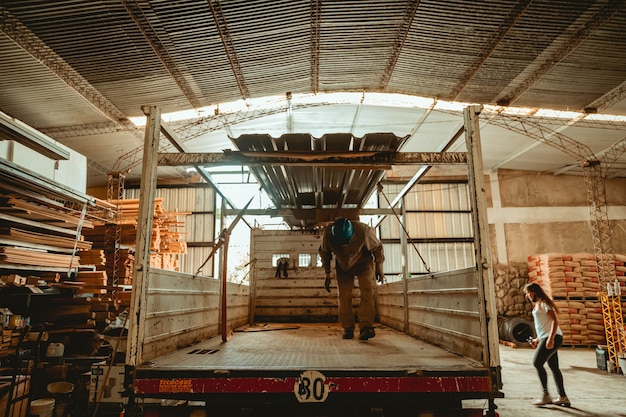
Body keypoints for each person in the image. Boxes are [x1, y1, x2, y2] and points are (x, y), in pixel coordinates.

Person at [319, 218, 384, 340]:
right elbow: (325, 254)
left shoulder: (364, 231)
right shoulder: (328, 234)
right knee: (343, 297)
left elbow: (377, 248)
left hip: (363, 263)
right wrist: (327, 274)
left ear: (352, 235)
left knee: (367, 293)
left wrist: (379, 267)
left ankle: (366, 326)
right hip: (343, 266)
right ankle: (348, 328)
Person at [523, 282, 570, 407]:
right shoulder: (538, 305)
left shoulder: (544, 304)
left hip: (553, 337)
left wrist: (550, 339)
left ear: (534, 291)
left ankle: (546, 395)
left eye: (528, 292)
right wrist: (537, 339)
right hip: (546, 337)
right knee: (554, 367)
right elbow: (544, 325)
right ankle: (563, 397)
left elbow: (555, 321)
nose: (527, 296)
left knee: (537, 363)